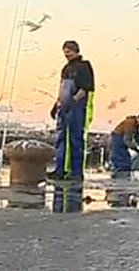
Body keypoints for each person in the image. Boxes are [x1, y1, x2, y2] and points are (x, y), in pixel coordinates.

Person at [49, 40, 95, 180]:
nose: (66, 54)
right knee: (60, 138)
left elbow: (85, 88)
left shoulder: (84, 66)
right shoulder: (66, 68)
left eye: (68, 50)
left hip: (77, 108)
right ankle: (60, 169)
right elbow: (62, 88)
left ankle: (76, 172)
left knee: (76, 139)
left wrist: (73, 101)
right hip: (63, 107)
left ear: (75, 50)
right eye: (65, 51)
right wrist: (56, 104)